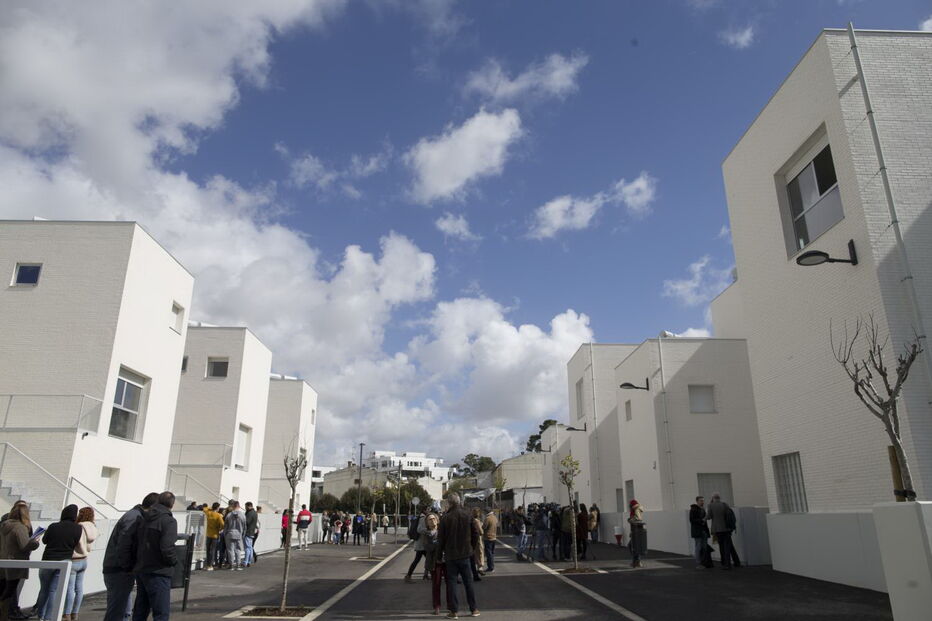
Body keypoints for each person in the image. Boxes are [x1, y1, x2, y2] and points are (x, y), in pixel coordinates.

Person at [102, 492, 158, 621]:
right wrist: (128, 566)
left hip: (119, 568)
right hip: (119, 570)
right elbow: (124, 544)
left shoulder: (135, 515)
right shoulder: (134, 517)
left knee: (123, 611)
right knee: (117, 611)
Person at [132, 492, 178, 621]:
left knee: (140, 610)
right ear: (172, 504)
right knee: (161, 613)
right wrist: (173, 562)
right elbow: (167, 547)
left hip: (142, 568)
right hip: (159, 570)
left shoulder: (144, 518)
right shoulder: (168, 521)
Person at [34, 504, 83, 621]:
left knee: (44, 589)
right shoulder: (78, 528)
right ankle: (49, 617)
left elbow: (45, 541)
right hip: (64, 561)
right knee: (54, 590)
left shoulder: (53, 526)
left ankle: (40, 615)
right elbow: (75, 543)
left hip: (48, 560)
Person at [438, 493, 480, 619]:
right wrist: (471, 547)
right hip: (466, 554)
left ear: (449, 503)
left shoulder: (445, 518)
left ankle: (454, 611)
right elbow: (476, 533)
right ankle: (474, 609)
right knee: (469, 582)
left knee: (451, 583)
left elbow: (441, 539)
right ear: (459, 501)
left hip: (451, 555)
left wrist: (439, 555)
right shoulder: (468, 514)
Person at [0, 501, 40, 620]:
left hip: (3, 562)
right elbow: (24, 545)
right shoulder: (20, 527)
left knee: (3, 590)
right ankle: (6, 615)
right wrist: (35, 542)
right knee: (10, 591)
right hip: (16, 563)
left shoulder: (3, 525)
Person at [63, 507, 98, 621]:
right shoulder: (93, 527)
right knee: (79, 588)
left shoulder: (79, 527)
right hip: (84, 559)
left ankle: (67, 613)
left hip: (74, 559)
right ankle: (75, 613)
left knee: (70, 589)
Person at [706, 493, 738, 570]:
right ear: (719, 498)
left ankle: (725, 563)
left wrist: (703, 519)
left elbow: (709, 516)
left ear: (713, 498)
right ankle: (734, 563)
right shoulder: (725, 504)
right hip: (726, 529)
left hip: (717, 530)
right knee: (728, 546)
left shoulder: (710, 505)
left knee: (722, 547)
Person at [404, 508, 429, 583]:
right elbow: (419, 529)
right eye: (428, 509)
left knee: (426, 559)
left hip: (422, 544)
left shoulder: (422, 517)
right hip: (421, 544)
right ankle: (408, 576)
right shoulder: (422, 518)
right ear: (424, 510)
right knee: (423, 560)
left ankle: (425, 575)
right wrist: (429, 530)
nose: (429, 511)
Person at [224, 501, 246, 570]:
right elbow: (245, 526)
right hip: (239, 534)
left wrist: (225, 534)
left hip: (229, 533)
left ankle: (231, 565)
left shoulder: (229, 515)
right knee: (238, 550)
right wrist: (243, 534)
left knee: (230, 550)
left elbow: (225, 526)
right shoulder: (242, 515)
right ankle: (238, 565)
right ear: (239, 506)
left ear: (233, 506)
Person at [689, 496, 710, 569]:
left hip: (703, 531)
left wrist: (704, 521)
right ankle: (698, 563)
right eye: (701, 501)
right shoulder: (693, 509)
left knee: (704, 547)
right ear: (697, 501)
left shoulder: (703, 509)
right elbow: (692, 520)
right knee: (699, 547)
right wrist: (702, 520)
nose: (702, 502)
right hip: (697, 531)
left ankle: (703, 563)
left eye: (703, 501)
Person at [202, 503, 224, 570]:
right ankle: (210, 565)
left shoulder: (208, 513)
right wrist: (220, 529)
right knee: (213, 550)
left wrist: (210, 508)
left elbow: (204, 509)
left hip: (208, 534)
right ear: (217, 508)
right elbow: (223, 524)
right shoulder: (218, 515)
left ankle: (207, 564)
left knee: (208, 550)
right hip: (215, 535)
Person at [628, 499, 646, 569]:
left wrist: (630, 520)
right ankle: (636, 561)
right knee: (633, 546)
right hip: (636, 531)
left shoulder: (636, 510)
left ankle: (637, 561)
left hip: (636, 531)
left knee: (633, 546)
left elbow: (638, 519)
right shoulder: (636, 509)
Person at [469, 508, 484, 581]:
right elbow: (480, 532)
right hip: (477, 540)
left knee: (474, 555)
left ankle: (477, 569)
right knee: (479, 553)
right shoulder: (476, 521)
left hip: (472, 541)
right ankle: (480, 568)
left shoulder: (471, 520)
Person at [481, 509, 497, 573]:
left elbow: (484, 527)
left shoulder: (487, 518)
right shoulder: (494, 517)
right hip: (494, 537)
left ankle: (491, 567)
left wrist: (482, 524)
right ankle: (492, 566)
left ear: (486, 512)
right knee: (492, 553)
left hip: (488, 537)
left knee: (489, 553)